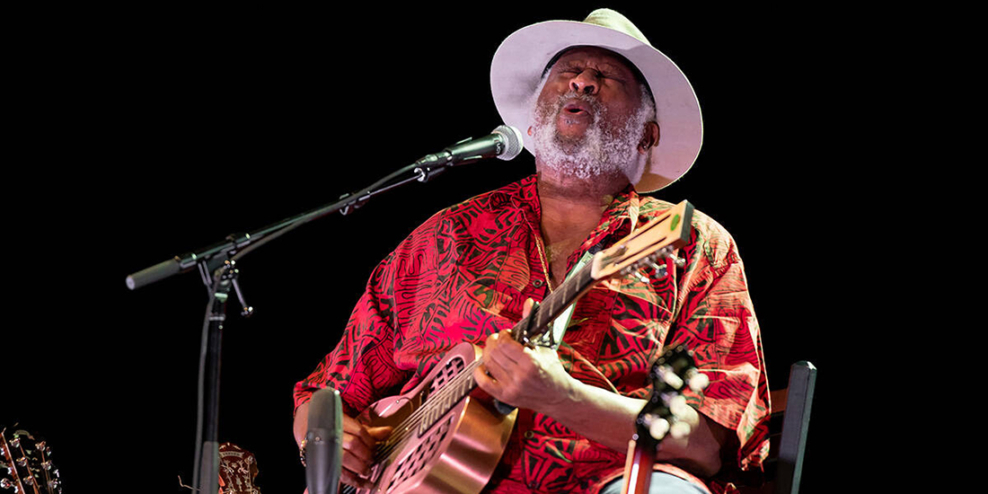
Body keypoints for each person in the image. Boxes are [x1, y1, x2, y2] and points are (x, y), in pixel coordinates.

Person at [293, 9, 769, 494]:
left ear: (647, 135)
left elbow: (710, 441)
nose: (583, 81)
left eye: (607, 77)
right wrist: (326, 442)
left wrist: (562, 398)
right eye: (568, 72)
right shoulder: (446, 233)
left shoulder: (692, 243)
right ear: (533, 115)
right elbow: (325, 393)